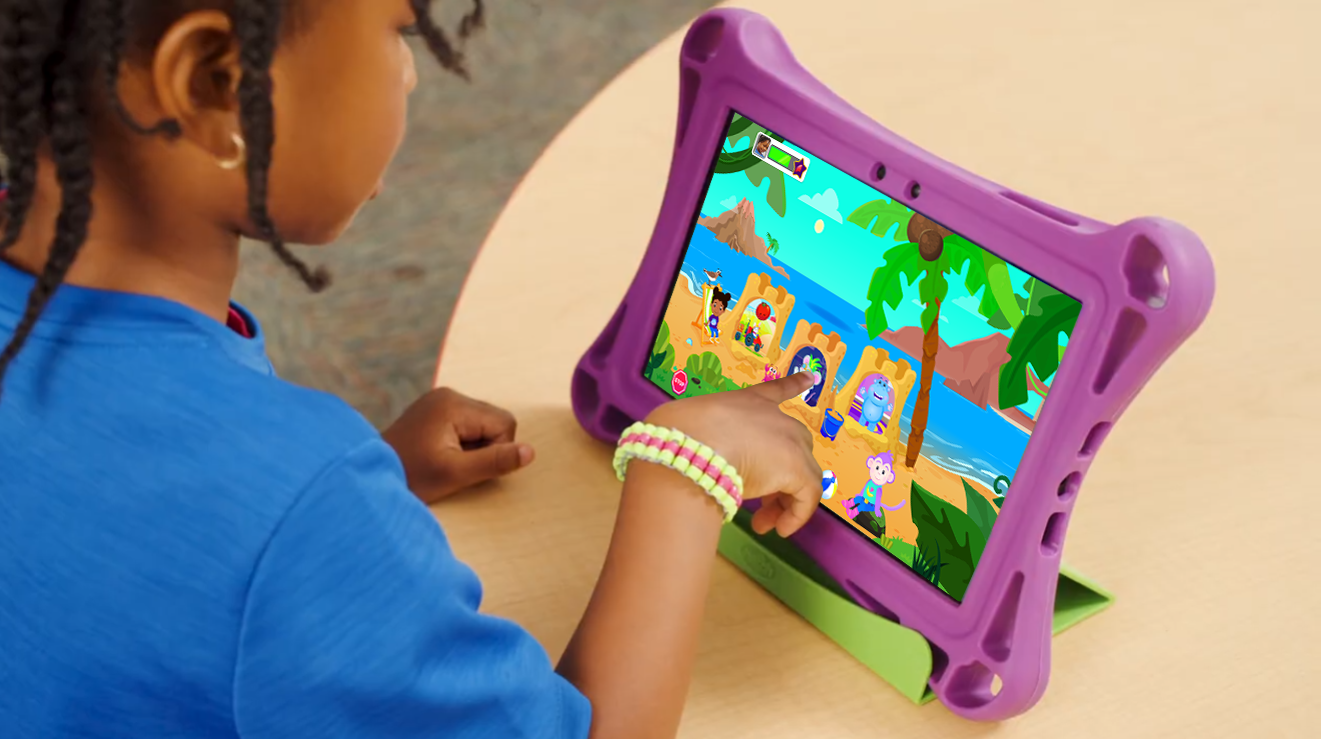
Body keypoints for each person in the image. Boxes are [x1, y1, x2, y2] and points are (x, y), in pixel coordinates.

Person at [0, 2, 823, 738]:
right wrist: (684, 469)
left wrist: (366, 480)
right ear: (216, 84)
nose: (410, 75)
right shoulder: (296, 507)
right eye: (397, 31)